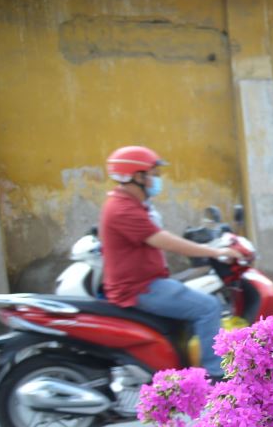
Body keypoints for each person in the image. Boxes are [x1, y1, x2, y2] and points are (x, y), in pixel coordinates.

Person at [99, 145, 231, 377]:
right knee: (208, 307)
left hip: (146, 283)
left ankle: (188, 366)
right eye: (153, 174)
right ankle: (216, 375)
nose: (157, 180)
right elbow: (164, 241)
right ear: (137, 176)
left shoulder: (129, 204)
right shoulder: (122, 209)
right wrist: (211, 251)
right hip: (140, 289)